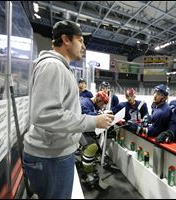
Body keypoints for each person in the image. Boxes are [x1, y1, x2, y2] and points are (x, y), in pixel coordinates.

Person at [22, 20, 114, 199]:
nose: (84, 46)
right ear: (65, 39)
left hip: (54, 153)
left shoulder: (59, 67)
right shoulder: (53, 66)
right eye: (80, 40)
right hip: (50, 157)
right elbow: (44, 115)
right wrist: (93, 121)